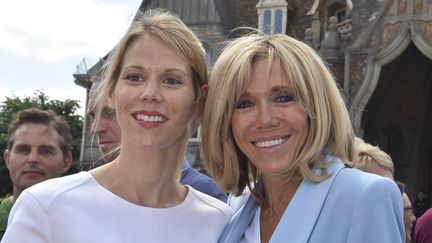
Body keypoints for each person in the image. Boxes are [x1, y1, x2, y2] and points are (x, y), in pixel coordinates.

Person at [1, 9, 231, 243]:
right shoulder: (46, 208)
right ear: (111, 92)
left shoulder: (219, 220)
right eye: (134, 77)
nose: (150, 93)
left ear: (199, 101)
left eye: (171, 80)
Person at [201, 33, 404, 243]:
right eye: (244, 104)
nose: (265, 120)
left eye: (283, 98)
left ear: (317, 106)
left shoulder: (366, 196)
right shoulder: (238, 206)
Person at [87, 80, 227, 202]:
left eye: (111, 112)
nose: (95, 128)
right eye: (93, 116)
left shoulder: (205, 197)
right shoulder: (79, 197)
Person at [0, 108, 73, 239]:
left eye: (45, 151)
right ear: (7, 159)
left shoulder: (84, 225)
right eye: (23, 149)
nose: (32, 159)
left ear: (66, 162)